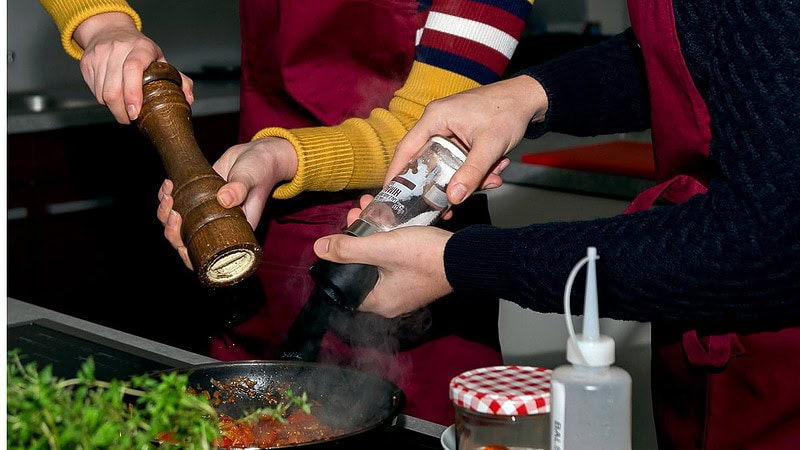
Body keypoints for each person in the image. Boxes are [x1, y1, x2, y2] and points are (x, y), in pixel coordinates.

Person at [313, 0, 800, 448]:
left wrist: (458, 262)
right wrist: (528, 95)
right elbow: (684, 54)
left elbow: (763, 243)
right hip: (701, 340)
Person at [39, 0, 535, 425]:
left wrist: (279, 156)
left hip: (418, 243)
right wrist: (103, 25)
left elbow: (434, 126)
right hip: (264, 240)